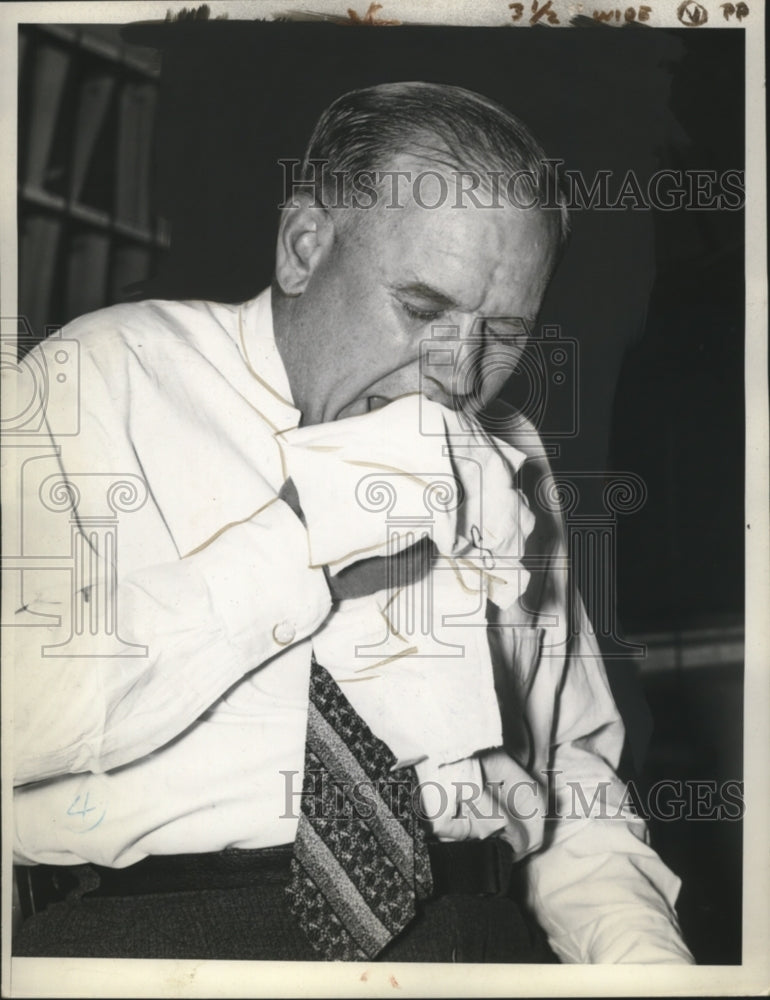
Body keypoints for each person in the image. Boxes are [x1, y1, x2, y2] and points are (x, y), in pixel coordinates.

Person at [8, 81, 694, 964]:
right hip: (165, 940)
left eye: (506, 333)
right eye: (422, 310)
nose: (458, 374)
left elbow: (572, 789)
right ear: (304, 247)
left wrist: (656, 974)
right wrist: (312, 528)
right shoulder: (102, 377)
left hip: (474, 935)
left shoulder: (507, 456)